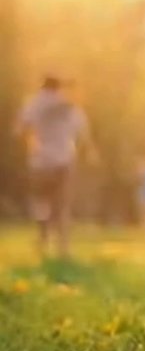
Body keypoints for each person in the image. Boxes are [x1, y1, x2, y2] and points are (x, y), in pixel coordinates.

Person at [15, 75, 93, 257]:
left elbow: (21, 129)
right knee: (63, 204)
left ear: (42, 86)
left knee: (42, 202)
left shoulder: (33, 104)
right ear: (59, 88)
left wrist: (32, 143)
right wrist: (88, 151)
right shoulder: (70, 106)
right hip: (64, 160)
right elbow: (83, 132)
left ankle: (43, 242)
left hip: (40, 161)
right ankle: (63, 247)